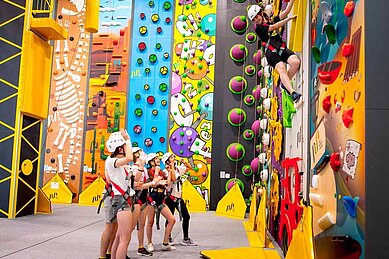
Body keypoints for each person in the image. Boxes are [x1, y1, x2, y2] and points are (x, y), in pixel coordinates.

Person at [248, 1, 302, 105]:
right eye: (254, 19)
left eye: (256, 17)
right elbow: (274, 27)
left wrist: (292, 1)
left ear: (260, 12)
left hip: (280, 47)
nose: (256, 20)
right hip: (271, 53)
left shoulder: (269, 19)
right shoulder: (259, 28)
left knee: (295, 62)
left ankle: (285, 84)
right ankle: (293, 93)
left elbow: (286, 11)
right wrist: (289, 19)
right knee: (281, 68)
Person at [104, 130, 134, 259]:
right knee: (125, 239)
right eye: (123, 147)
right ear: (119, 147)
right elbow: (130, 157)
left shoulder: (116, 162)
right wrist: (127, 140)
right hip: (121, 199)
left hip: (123, 199)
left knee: (120, 236)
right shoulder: (112, 161)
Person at [162, 152, 198, 246]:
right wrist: (172, 167)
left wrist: (185, 162)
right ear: (167, 160)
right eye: (171, 157)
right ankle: (168, 237)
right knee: (170, 218)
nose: (174, 158)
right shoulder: (166, 171)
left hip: (178, 197)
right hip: (169, 197)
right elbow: (173, 179)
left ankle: (186, 238)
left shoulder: (178, 168)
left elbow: (190, 168)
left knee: (186, 216)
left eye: (174, 156)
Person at [131, 148, 161, 256]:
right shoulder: (134, 168)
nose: (143, 153)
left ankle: (141, 247)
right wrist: (152, 183)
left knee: (141, 225)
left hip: (144, 198)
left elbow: (147, 183)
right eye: (140, 153)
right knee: (131, 226)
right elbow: (138, 186)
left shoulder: (143, 169)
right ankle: (122, 248)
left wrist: (154, 180)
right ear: (136, 156)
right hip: (136, 198)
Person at [145, 153, 176, 251]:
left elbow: (168, 183)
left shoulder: (162, 171)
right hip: (152, 198)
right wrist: (157, 174)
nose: (158, 160)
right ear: (151, 161)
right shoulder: (149, 171)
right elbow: (153, 184)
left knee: (172, 219)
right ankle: (150, 243)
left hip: (161, 198)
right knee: (150, 221)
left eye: (158, 158)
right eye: (156, 159)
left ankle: (165, 242)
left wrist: (170, 172)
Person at [98, 172, 117, 259]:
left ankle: (110, 252)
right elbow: (110, 180)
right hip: (111, 195)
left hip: (120, 196)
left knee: (115, 227)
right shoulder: (111, 161)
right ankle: (102, 256)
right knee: (109, 226)